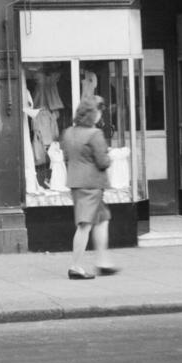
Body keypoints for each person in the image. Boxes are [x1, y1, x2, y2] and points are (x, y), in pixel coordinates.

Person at [62, 96, 118, 280]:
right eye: (98, 111)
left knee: (102, 219)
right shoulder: (95, 134)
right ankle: (75, 266)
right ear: (92, 114)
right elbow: (102, 162)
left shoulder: (68, 132)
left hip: (76, 182)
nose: (100, 114)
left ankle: (102, 261)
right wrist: (111, 157)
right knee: (85, 225)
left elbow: (67, 158)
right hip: (92, 185)